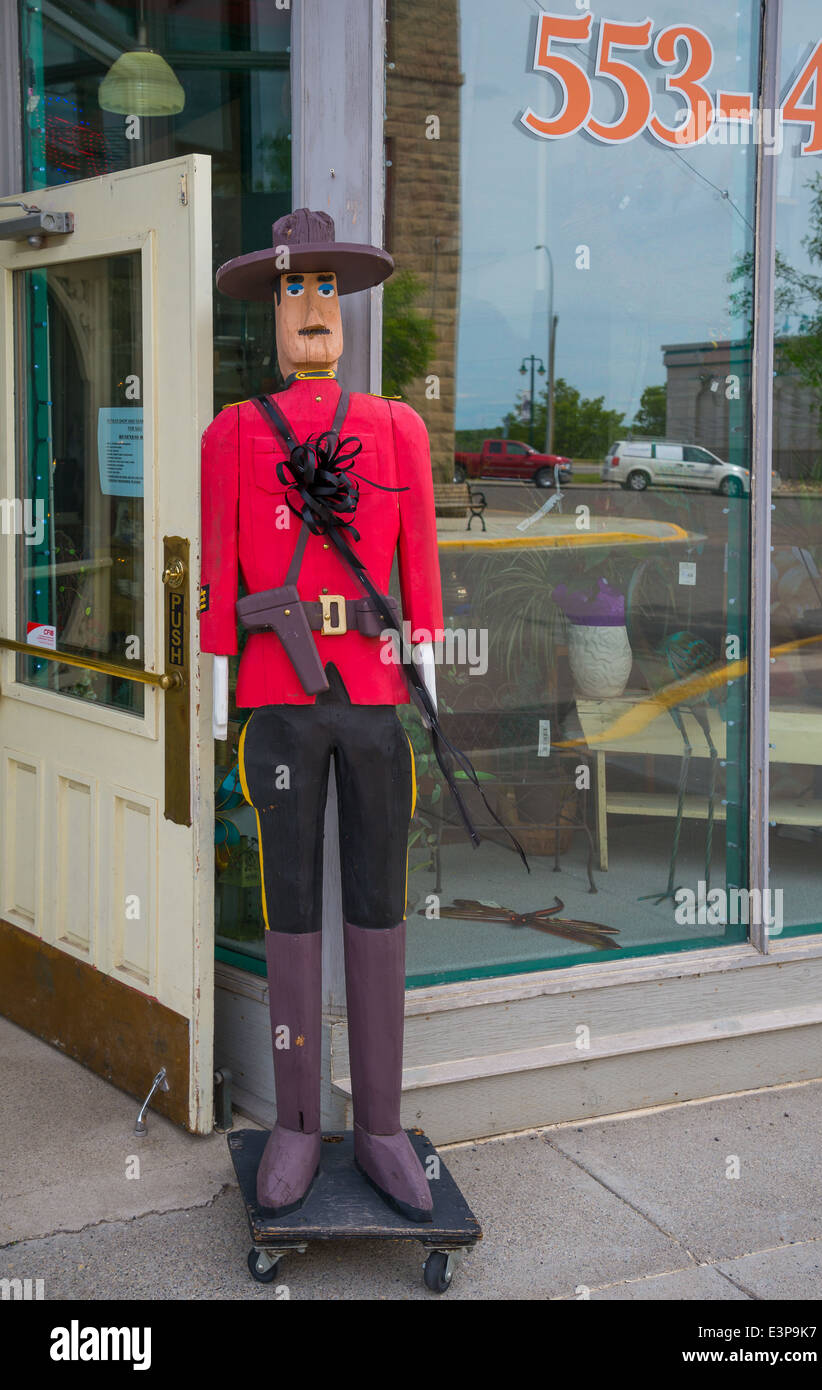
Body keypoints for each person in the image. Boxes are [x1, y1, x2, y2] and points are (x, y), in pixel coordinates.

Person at [200, 208, 442, 1222]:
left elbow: (419, 555)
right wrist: (219, 676)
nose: (312, 310)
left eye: (326, 292)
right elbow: (218, 566)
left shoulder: (396, 427)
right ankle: (297, 1120)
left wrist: (428, 653)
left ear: (345, 311)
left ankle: (380, 1122)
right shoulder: (234, 434)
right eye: (294, 292)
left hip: (376, 693)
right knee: (289, 900)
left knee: (378, 900)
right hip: (279, 697)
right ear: (271, 314)